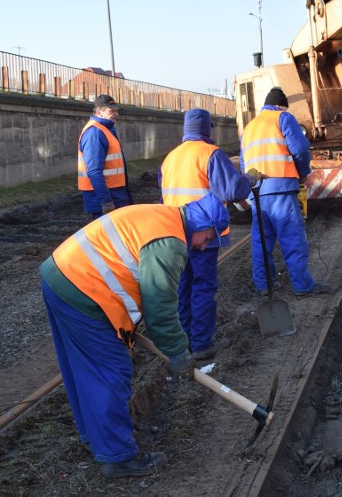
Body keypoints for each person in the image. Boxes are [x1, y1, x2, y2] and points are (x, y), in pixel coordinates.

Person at [39, 193, 229, 478]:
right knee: (111, 372)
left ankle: (97, 437)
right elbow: (160, 308)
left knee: (83, 370)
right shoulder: (170, 243)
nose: (203, 247)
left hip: (60, 275)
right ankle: (118, 457)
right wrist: (178, 353)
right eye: (208, 239)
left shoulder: (164, 217)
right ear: (202, 225)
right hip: (84, 290)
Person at [158, 108, 261, 360]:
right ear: (208, 129)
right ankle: (202, 343)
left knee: (182, 287)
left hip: (175, 231)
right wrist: (249, 178)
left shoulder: (170, 157)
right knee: (203, 287)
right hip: (203, 233)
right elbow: (232, 191)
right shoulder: (210, 154)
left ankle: (184, 341)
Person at [239, 86, 331, 297]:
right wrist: (303, 172)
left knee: (261, 241)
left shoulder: (249, 127)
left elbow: (244, 162)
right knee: (292, 239)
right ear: (281, 105)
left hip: (257, 192)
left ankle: (264, 285)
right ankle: (302, 285)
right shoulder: (283, 118)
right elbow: (300, 149)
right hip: (280, 188)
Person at [78, 94, 134, 219]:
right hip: (106, 200)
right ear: (99, 111)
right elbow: (93, 171)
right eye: (111, 110)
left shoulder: (105, 130)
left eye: (116, 111)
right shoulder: (95, 133)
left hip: (115, 196)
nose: (116, 114)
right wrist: (106, 202)